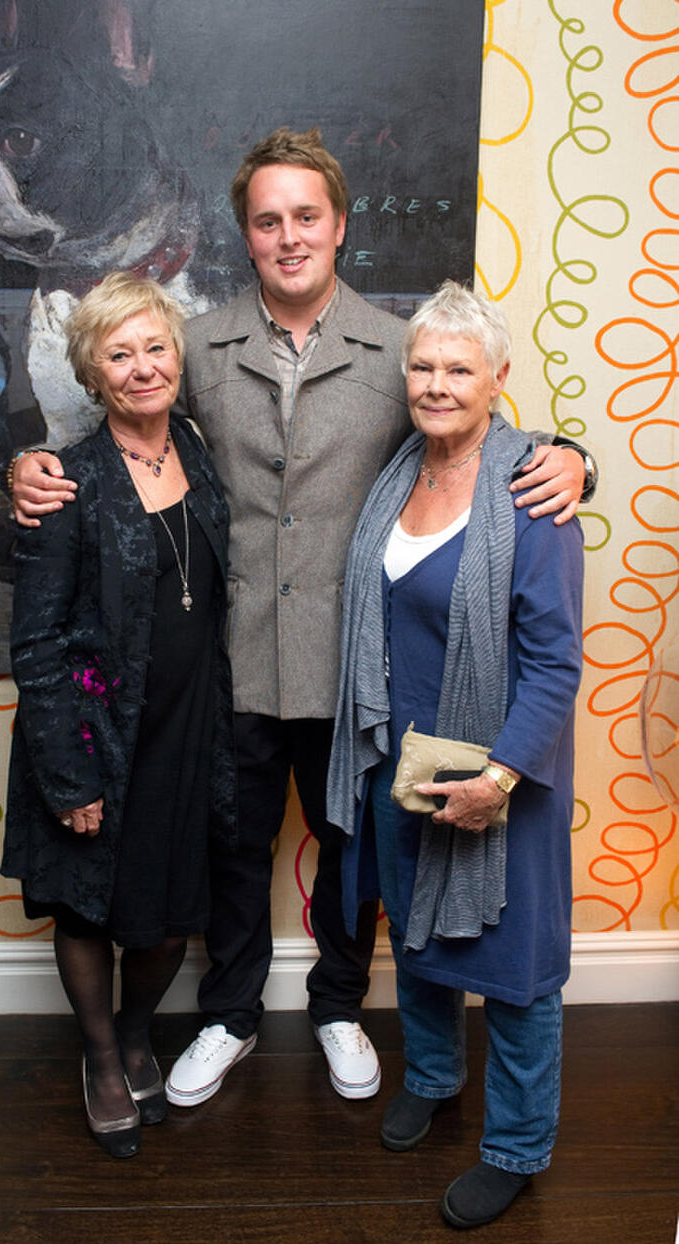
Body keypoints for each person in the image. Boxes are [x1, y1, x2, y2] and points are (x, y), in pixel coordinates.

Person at [10, 128, 592, 1108]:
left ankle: (334, 1004)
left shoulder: (397, 347)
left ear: (339, 226)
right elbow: (127, 422)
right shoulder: (195, 344)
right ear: (245, 234)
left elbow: (480, 427)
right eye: (267, 220)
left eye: (305, 217)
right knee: (232, 850)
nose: (288, 236)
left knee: (352, 851)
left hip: (356, 666)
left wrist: (576, 454)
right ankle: (230, 1011)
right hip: (232, 663)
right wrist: (32, 464)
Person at [327, 281, 583, 1228]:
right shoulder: (401, 469)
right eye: (424, 366)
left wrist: (501, 777)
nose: (437, 385)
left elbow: (558, 662)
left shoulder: (534, 489)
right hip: (404, 761)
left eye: (459, 369)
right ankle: (432, 1077)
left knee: (517, 970)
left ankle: (516, 1146)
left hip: (503, 770)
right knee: (420, 938)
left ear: (497, 379)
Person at [1, 272, 236, 1156]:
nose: (143, 369)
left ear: (178, 357)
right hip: (96, 738)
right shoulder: (66, 480)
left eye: (156, 348)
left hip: (189, 729)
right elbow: (36, 643)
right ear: (93, 377)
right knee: (88, 912)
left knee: (172, 907)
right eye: (119, 355)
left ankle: (140, 1030)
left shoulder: (202, 451)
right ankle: (102, 1058)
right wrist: (68, 775)